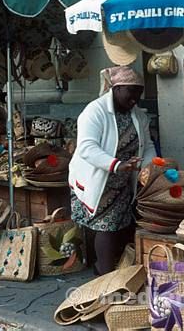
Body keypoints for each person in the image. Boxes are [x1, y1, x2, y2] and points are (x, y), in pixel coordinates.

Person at [68, 66, 156, 275]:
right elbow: (87, 148)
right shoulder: (95, 111)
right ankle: (106, 276)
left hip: (122, 178)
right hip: (97, 177)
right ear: (116, 89)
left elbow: (147, 145)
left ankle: (107, 267)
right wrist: (116, 164)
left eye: (138, 92)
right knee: (105, 226)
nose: (135, 97)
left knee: (118, 225)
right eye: (131, 92)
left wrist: (152, 168)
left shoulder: (138, 116)